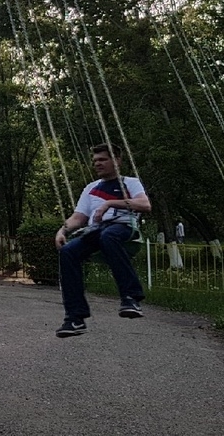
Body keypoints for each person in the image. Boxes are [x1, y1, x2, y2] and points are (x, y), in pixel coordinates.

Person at [54, 143, 152, 338]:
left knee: (109, 236)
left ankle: (131, 297)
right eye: (95, 161)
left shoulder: (129, 182)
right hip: (96, 231)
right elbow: (79, 217)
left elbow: (145, 204)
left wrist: (109, 203)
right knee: (68, 252)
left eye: (102, 159)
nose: (97, 164)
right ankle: (75, 318)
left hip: (122, 227)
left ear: (116, 160)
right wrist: (62, 231)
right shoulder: (91, 188)